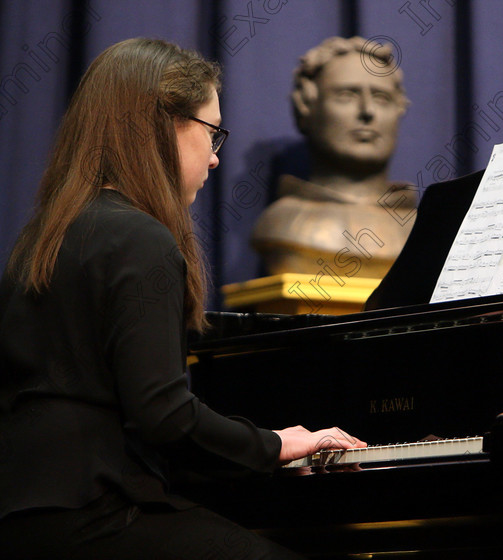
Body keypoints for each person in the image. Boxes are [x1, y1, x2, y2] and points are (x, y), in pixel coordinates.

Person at [0, 38, 365, 559]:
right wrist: (276, 443)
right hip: (98, 515)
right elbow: (163, 414)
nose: (216, 159)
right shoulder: (140, 238)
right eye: (212, 133)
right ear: (162, 123)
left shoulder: (41, 237)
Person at [251, 36, 418, 279]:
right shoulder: (282, 224)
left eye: (381, 98)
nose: (367, 112)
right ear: (305, 106)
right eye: (347, 95)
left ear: (399, 110)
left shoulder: (426, 231)